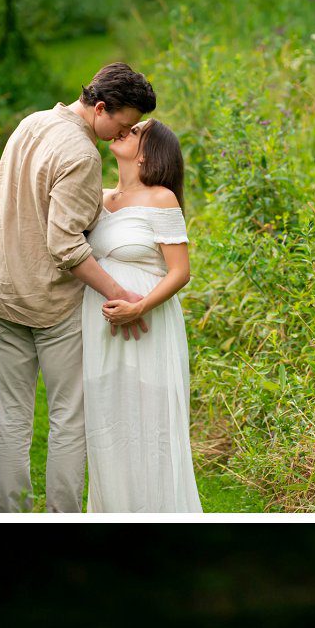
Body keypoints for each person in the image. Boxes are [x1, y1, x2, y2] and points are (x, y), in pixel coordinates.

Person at [0, 61, 157, 515]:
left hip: (3, 292)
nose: (123, 135)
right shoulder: (82, 154)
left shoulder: (32, 123)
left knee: (11, 423)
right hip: (52, 306)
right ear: (101, 107)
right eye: (123, 124)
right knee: (68, 423)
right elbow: (65, 246)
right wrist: (120, 293)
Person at [84, 120, 203, 512]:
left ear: (149, 153)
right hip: (99, 324)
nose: (123, 130)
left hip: (148, 325)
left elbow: (180, 272)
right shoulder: (100, 197)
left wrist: (138, 306)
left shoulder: (161, 199)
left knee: (148, 418)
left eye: (135, 131)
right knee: (107, 414)